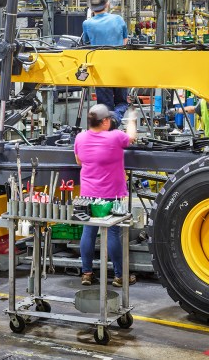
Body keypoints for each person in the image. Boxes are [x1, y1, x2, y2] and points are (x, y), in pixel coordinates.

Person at [74, 104, 138, 287]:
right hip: (111, 195)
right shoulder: (115, 137)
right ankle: (119, 277)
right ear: (105, 121)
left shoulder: (80, 138)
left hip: (87, 194)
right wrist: (132, 117)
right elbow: (131, 137)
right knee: (113, 233)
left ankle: (86, 273)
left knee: (89, 231)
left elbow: (79, 161)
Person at [82, 0, 130, 123]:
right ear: (107, 5)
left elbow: (86, 44)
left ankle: (108, 127)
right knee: (122, 102)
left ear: (91, 8)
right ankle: (115, 119)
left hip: (100, 70)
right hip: (119, 67)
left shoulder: (87, 24)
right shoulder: (118, 19)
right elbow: (125, 41)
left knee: (105, 106)